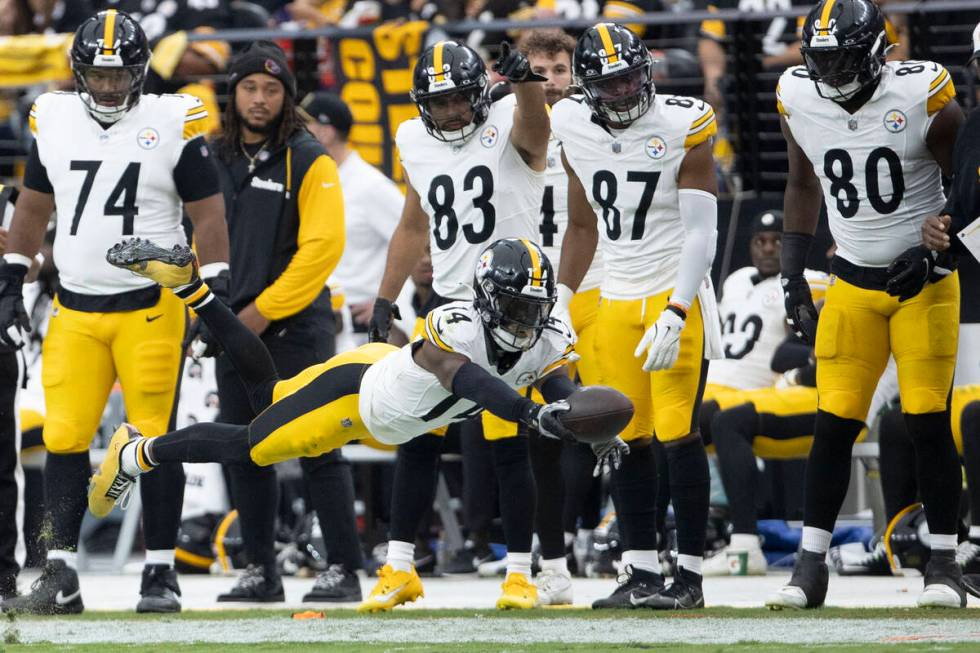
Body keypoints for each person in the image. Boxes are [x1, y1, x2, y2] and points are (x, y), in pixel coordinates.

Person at [87, 239, 627, 590]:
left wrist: (589, 425)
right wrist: (533, 417)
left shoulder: (549, 334)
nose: (525, 321)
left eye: (533, 309)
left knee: (267, 394)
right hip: (356, 397)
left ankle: (189, 287)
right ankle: (138, 452)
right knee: (253, 444)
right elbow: (471, 382)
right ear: (485, 303)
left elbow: (560, 384)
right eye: (513, 309)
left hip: (385, 386)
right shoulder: (456, 325)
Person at [0, 10, 230, 615]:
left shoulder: (172, 118)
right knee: (64, 437)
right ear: (79, 72)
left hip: (151, 308)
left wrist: (215, 293)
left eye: (120, 75)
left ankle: (160, 572)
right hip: (73, 305)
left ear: (140, 72)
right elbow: (32, 204)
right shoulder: (52, 116)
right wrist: (9, 282)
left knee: (154, 440)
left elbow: (208, 214)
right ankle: (61, 573)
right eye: (98, 75)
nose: (107, 87)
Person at [766, 0, 967, 609]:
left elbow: (972, 185)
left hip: (922, 283)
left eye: (845, 58)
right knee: (833, 424)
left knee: (927, 420)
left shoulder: (923, 95)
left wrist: (940, 251)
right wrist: (792, 274)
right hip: (850, 281)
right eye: (822, 60)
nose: (833, 73)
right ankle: (810, 566)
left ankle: (943, 562)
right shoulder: (796, 97)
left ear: (880, 51)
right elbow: (802, 182)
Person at [365, 39, 551, 610]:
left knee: (506, 442)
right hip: (447, 301)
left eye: (458, 99)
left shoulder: (507, 117)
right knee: (420, 436)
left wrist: (525, 82)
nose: (449, 112)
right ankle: (399, 567)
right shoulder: (412, 138)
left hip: (512, 300)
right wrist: (385, 296)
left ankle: (520, 574)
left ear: (481, 93)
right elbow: (414, 224)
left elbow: (536, 131)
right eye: (437, 102)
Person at [553, 22, 722, 610]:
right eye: (610, 84)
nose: (623, 92)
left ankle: (692, 580)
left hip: (675, 292)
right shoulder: (569, 121)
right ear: (587, 88)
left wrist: (677, 308)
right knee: (624, 438)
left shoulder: (684, 122)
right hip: (617, 297)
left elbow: (704, 231)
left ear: (645, 71)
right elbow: (581, 225)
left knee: (679, 433)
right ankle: (641, 570)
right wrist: (562, 298)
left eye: (629, 79)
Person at [201, 41, 352, 604]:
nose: (259, 99)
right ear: (232, 93)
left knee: (315, 445)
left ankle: (343, 566)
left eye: (271, 89)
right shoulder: (212, 158)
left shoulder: (309, 156)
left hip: (294, 330)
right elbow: (193, 236)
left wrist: (254, 317)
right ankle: (260, 570)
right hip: (232, 327)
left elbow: (320, 253)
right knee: (244, 449)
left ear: (287, 97)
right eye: (248, 87)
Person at [504, 27, 606, 606]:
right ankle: (555, 559)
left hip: (602, 286)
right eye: (537, 70)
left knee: (621, 422)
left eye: (560, 69)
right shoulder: (504, 122)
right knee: (544, 434)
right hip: (535, 298)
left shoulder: (602, 120)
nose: (550, 81)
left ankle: (640, 547)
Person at [695, 209, 826, 576]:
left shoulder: (810, 281)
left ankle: (741, 539)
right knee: (665, 426)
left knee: (705, 421)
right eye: (760, 241)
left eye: (778, 241)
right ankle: (661, 541)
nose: (768, 249)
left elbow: (805, 348)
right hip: (717, 382)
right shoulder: (736, 281)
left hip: (750, 389)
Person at [300, 92, 403, 353]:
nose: (296, 133)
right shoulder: (310, 179)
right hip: (313, 321)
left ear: (326, 132)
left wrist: (390, 301)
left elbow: (420, 241)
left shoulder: (370, 185)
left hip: (358, 332)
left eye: (304, 125)